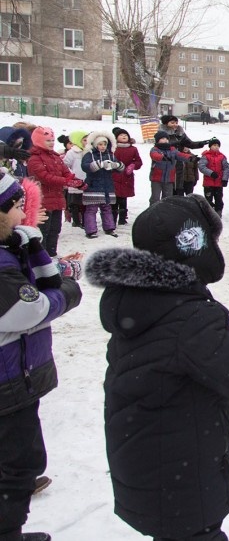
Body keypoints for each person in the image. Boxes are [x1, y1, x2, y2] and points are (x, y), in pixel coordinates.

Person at [85, 195, 229, 541]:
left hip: (149, 464)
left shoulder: (140, 299)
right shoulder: (190, 314)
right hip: (183, 476)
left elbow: (175, 359)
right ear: (194, 247)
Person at [0, 173, 83, 541]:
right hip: (7, 381)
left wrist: (34, 248)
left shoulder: (10, 251)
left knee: (19, 462)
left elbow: (46, 284)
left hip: (16, 377)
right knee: (16, 466)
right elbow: (30, 309)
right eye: (19, 208)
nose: (25, 216)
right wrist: (66, 294)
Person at [26, 126, 85, 256]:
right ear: (38, 141)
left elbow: (66, 172)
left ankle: (52, 254)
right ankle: (41, 256)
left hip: (57, 199)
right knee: (43, 230)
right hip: (42, 200)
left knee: (55, 229)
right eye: (48, 140)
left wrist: (79, 183)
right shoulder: (34, 158)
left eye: (52, 140)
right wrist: (67, 182)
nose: (52, 143)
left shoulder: (55, 157)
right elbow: (44, 177)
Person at [81, 129, 124, 239]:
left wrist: (116, 165)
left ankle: (109, 228)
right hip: (93, 186)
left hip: (107, 186)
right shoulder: (89, 155)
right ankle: (90, 230)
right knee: (91, 209)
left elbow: (121, 167)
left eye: (104, 144)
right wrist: (99, 164)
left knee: (107, 208)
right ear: (95, 145)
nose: (103, 146)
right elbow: (85, 167)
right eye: (100, 144)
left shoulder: (110, 155)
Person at [110, 128, 142, 226]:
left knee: (123, 198)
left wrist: (133, 166)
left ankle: (122, 218)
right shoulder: (112, 148)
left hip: (126, 177)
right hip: (114, 176)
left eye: (125, 135)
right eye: (121, 135)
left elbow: (138, 161)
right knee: (114, 198)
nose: (124, 136)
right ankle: (112, 218)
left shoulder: (133, 149)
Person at [62, 130, 88, 228]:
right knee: (75, 203)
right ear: (77, 140)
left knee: (85, 204)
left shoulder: (88, 152)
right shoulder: (72, 152)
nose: (86, 142)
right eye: (84, 140)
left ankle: (86, 221)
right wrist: (71, 176)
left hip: (86, 181)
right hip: (75, 181)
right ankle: (76, 221)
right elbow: (65, 165)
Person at [198, 138, 229, 216]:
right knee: (208, 199)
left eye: (218, 145)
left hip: (219, 183)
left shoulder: (222, 156)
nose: (216, 147)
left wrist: (225, 179)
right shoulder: (206, 156)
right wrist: (211, 173)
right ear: (210, 146)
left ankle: (218, 212)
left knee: (219, 199)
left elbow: (226, 168)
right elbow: (201, 167)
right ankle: (209, 213)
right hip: (208, 182)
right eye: (214, 145)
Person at [149, 132, 182, 205]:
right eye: (163, 138)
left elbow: (180, 155)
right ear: (158, 140)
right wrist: (162, 157)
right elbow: (154, 155)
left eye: (167, 139)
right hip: (156, 178)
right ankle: (152, 213)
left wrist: (190, 158)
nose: (166, 140)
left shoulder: (173, 150)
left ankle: (165, 213)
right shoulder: (155, 149)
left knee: (167, 198)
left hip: (169, 178)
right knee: (155, 198)